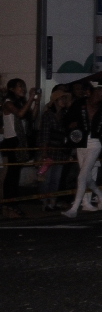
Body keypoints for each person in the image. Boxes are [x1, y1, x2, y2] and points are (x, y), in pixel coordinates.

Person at [62, 86, 102, 218]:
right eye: (99, 92)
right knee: (86, 176)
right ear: (91, 93)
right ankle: (100, 193)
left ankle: (74, 208)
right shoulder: (80, 103)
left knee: (82, 176)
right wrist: (71, 125)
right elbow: (67, 118)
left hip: (95, 142)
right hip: (81, 141)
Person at [2, 79, 40, 216]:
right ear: (11, 89)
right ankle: (9, 204)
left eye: (24, 86)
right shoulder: (8, 103)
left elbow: (32, 116)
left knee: (15, 174)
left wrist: (36, 102)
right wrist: (30, 98)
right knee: (11, 174)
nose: (23, 88)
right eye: (19, 86)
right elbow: (19, 114)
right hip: (12, 140)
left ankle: (11, 204)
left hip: (20, 140)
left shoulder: (21, 103)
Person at [38, 86, 72, 211]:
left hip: (60, 151)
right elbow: (45, 135)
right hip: (49, 150)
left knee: (56, 179)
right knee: (46, 179)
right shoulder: (48, 115)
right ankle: (44, 202)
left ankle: (51, 202)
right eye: (61, 98)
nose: (64, 101)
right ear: (55, 101)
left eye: (65, 98)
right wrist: (44, 152)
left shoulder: (64, 116)